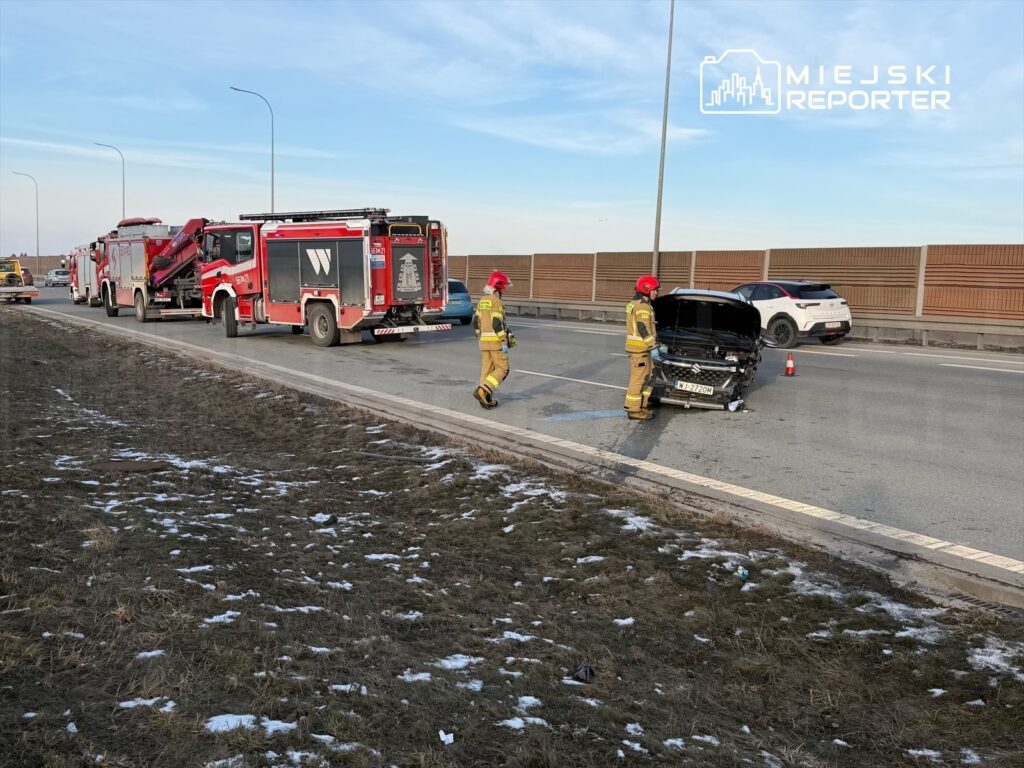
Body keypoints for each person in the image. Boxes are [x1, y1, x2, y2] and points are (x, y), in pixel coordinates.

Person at [473, 271, 514, 408]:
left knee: (487, 370)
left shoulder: (482, 300)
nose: (505, 289)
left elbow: (475, 322)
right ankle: (483, 390)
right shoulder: (496, 301)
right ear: (499, 285)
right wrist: (503, 339)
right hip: (496, 343)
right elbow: (497, 322)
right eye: (504, 286)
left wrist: (480, 337)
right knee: (503, 369)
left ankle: (486, 399)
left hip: (484, 343)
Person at [624, 274, 660, 420]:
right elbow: (642, 327)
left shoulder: (638, 303)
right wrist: (653, 346)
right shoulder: (643, 306)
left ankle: (642, 405)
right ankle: (633, 410)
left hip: (643, 349)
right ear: (646, 289)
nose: (656, 292)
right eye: (655, 290)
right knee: (638, 379)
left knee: (649, 376)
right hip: (640, 349)